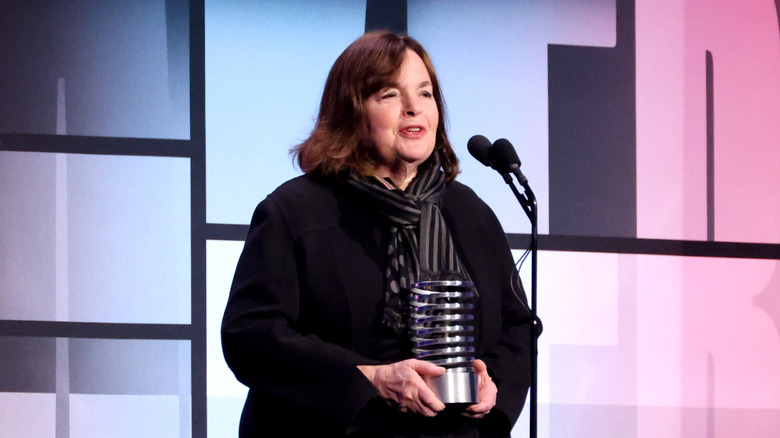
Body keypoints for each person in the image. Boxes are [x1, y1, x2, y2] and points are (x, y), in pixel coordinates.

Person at [221, 30, 535, 437]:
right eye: (389, 95)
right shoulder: (294, 212)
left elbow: (519, 327)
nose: (413, 109)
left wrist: (492, 383)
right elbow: (252, 336)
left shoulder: (468, 212)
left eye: (425, 94)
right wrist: (370, 378)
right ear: (351, 112)